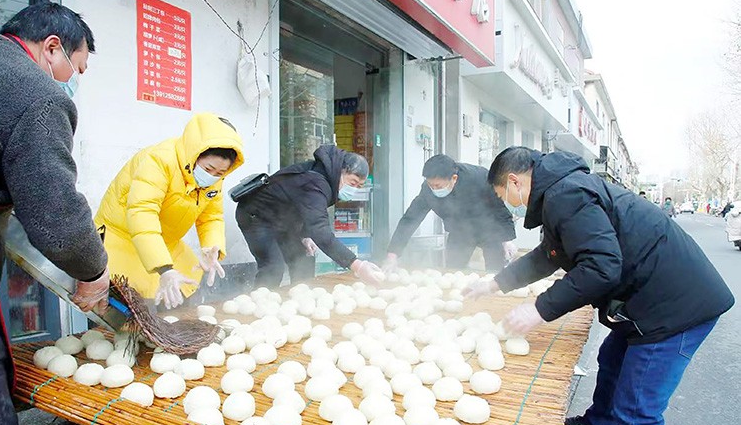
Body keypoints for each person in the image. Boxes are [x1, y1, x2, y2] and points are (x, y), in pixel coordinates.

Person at [464, 147, 734, 425]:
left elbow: (601, 267)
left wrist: (539, 310)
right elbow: (549, 256)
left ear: (515, 181)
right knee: (612, 358)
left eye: (505, 196)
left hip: (674, 309)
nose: (511, 204)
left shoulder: (565, 195)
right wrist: (494, 284)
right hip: (652, 300)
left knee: (639, 411)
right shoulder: (564, 190)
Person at [0, 3, 110, 425]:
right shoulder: (36, 93)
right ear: (51, 48)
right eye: (78, 68)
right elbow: (56, 216)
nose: (75, 81)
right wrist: (93, 272)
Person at [95, 113, 244, 309]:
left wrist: (212, 248)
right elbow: (142, 213)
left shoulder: (215, 181)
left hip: (165, 243)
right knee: (128, 308)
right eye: (208, 169)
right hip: (122, 240)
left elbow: (211, 217)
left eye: (220, 173)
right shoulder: (159, 161)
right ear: (194, 154)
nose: (212, 176)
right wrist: (164, 268)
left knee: (181, 296)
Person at [235, 145, 383, 287]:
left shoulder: (327, 178)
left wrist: (304, 235)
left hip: (281, 219)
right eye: (353, 182)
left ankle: (300, 296)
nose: (353, 189)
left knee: (304, 258)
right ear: (341, 171)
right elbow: (320, 229)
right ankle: (258, 302)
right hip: (256, 216)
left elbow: (304, 208)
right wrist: (357, 265)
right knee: (273, 267)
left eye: (358, 186)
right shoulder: (316, 182)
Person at [382, 154, 516, 273]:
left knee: (495, 272)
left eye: (438, 186)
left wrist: (507, 240)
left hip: (489, 229)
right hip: (460, 231)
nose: (434, 189)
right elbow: (411, 218)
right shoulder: (428, 190)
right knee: (453, 271)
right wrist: (392, 254)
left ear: (454, 178)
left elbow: (499, 208)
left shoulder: (480, 178)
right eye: (431, 185)